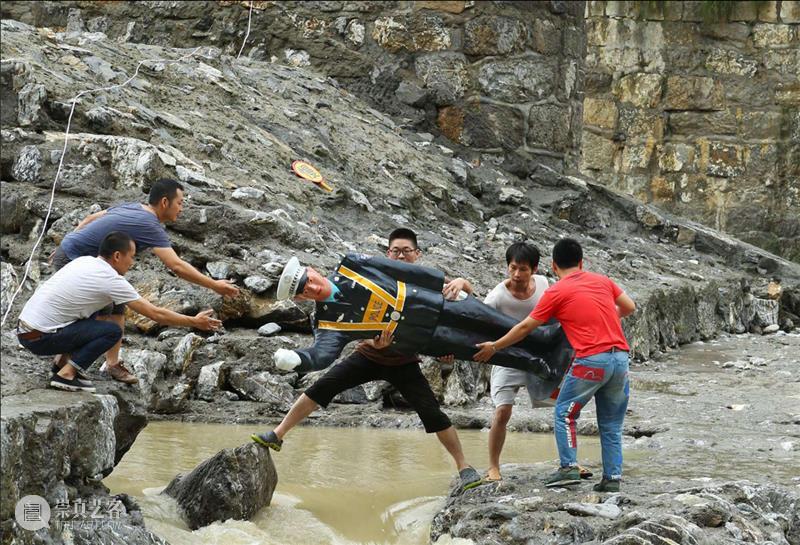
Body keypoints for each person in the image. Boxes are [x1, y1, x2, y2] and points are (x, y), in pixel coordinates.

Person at [251, 228, 487, 491]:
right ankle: (278, 434)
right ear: (388, 253)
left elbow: (462, 298)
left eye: (406, 251)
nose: (400, 256)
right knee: (321, 388)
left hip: (404, 361)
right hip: (368, 355)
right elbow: (346, 331)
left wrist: (462, 283)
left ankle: (464, 466)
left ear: (416, 255)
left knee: (432, 413)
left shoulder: (421, 280)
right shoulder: (373, 274)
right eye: (395, 251)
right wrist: (373, 341)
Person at [474, 238, 635, 492]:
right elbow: (629, 306)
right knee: (612, 424)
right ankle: (612, 479)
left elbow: (527, 326)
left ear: (552, 266)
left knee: (564, 413)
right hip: (620, 359)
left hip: (591, 360)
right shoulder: (603, 281)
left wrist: (494, 346)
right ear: (582, 262)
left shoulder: (556, 290)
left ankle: (568, 467)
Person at [52, 178, 238, 384]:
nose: (182, 209)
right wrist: (214, 285)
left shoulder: (134, 208)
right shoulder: (149, 224)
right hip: (74, 259)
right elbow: (175, 265)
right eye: (180, 203)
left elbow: (90, 218)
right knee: (100, 314)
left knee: (117, 306)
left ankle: (112, 365)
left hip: (71, 252)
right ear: (165, 202)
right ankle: (64, 368)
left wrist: (69, 241)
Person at [17, 232, 222, 393]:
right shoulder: (111, 280)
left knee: (93, 312)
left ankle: (61, 364)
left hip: (25, 331)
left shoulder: (84, 262)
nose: (132, 263)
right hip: (40, 338)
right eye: (131, 257)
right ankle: (66, 375)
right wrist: (194, 322)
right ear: (117, 256)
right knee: (112, 331)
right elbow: (154, 314)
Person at [483, 242, 572, 482]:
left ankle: (570, 463)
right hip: (507, 355)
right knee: (502, 412)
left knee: (563, 409)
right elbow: (480, 324)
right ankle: (493, 467)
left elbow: (558, 311)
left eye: (523, 269)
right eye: (512, 268)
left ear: (534, 269)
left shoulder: (543, 284)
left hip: (541, 355)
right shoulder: (497, 296)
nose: (516, 275)